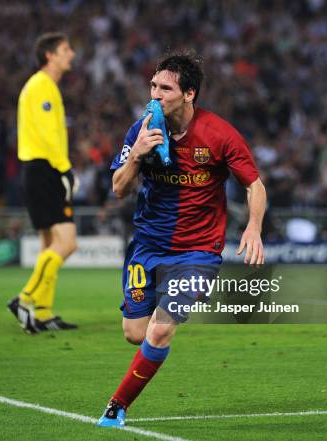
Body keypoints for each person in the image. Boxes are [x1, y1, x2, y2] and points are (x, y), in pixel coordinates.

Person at [97, 53, 266, 427]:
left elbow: (254, 184)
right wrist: (137, 156)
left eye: (165, 88)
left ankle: (116, 407)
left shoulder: (220, 135)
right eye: (153, 86)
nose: (155, 95)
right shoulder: (140, 130)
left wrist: (253, 226)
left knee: (160, 329)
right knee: (135, 332)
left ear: (189, 93)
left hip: (198, 252)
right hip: (148, 246)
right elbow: (119, 189)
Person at [7, 33, 78, 334]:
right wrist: (65, 169)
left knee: (49, 244)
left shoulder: (38, 87)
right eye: (65, 49)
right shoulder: (43, 86)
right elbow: (50, 134)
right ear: (49, 55)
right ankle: (24, 299)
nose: (71, 54)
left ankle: (43, 312)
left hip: (35, 168)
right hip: (45, 168)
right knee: (67, 243)